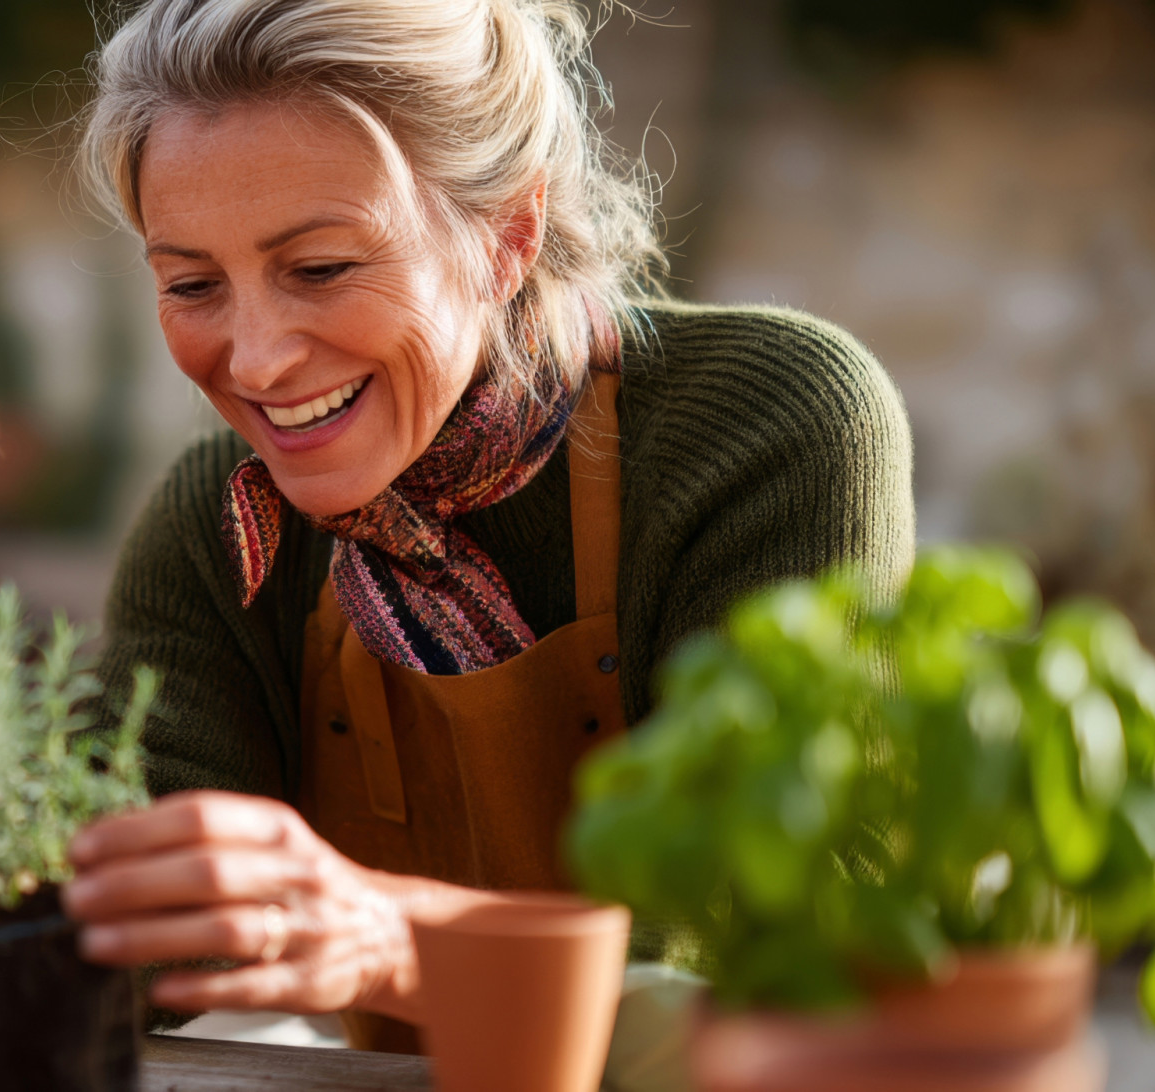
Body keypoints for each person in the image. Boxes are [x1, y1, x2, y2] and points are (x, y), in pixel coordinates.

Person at [61, 0, 915, 1052]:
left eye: (322, 267)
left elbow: (779, 920)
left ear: (507, 236)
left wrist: (401, 943)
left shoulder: (769, 426)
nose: (255, 360)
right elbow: (140, 943)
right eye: (192, 284)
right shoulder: (219, 527)